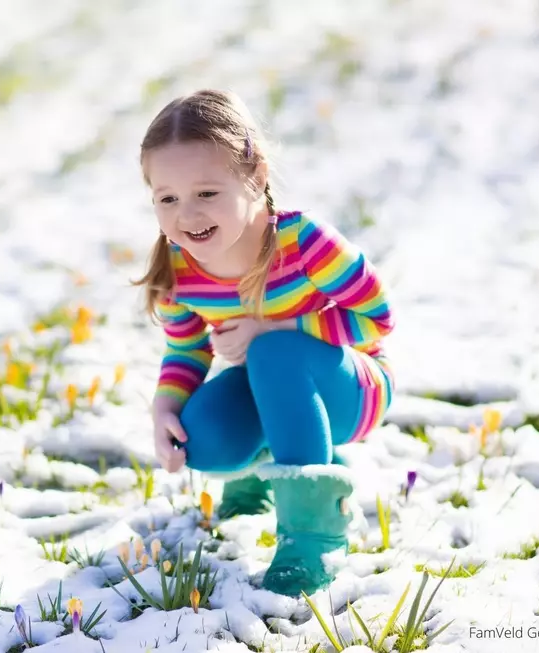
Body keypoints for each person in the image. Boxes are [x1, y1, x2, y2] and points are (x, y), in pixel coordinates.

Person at [132, 89, 396, 598]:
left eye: (206, 193)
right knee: (202, 437)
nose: (187, 215)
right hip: (271, 387)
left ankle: (313, 532)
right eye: (167, 199)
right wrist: (165, 408)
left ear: (255, 176)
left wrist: (278, 329)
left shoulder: (304, 243)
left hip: (351, 389)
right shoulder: (181, 267)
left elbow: (376, 319)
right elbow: (187, 349)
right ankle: (265, 476)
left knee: (273, 353)